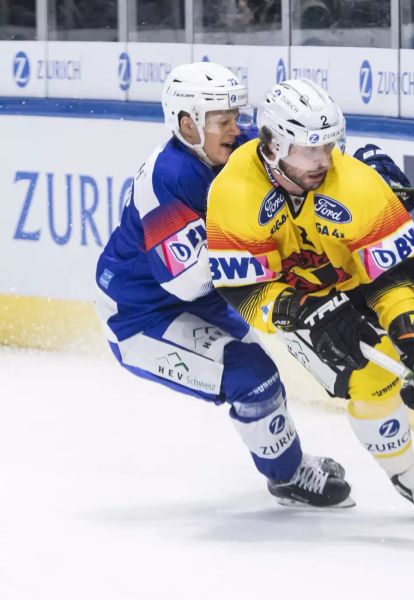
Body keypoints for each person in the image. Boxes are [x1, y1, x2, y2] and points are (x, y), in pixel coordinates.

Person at [205, 77, 414, 517]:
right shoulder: (233, 193)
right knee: (372, 384)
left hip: (363, 280)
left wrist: (412, 340)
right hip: (299, 304)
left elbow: (394, 275)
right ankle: (412, 478)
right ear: (272, 145)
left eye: (328, 147)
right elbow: (246, 288)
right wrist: (304, 312)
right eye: (308, 149)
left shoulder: (356, 184)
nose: (321, 161)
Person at [95, 63, 353, 509]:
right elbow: (187, 282)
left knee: (272, 365)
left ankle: (288, 462)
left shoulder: (237, 145)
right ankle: (288, 477)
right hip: (141, 318)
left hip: (202, 301)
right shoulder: (166, 179)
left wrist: (365, 171)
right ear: (187, 123)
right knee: (251, 377)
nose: (237, 130)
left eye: (236, 117)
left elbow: (305, 155)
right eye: (223, 122)